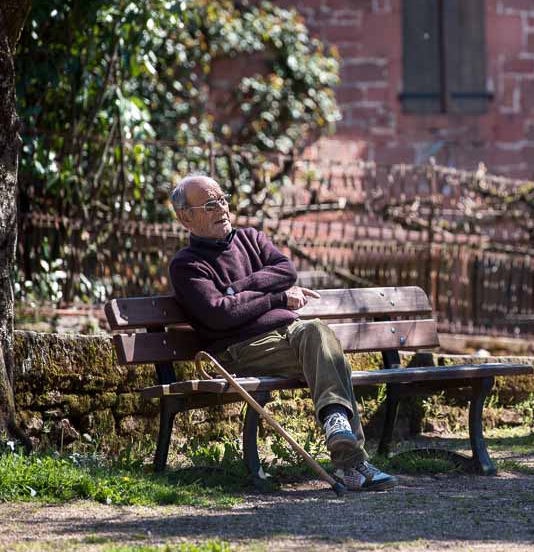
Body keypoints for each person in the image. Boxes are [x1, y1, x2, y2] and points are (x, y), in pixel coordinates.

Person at [167, 174, 397, 491]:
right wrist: (275, 297)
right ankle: (352, 463)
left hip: (289, 335)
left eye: (223, 199)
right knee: (329, 355)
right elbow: (222, 314)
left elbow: (286, 270)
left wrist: (237, 289)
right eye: (209, 204)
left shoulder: (250, 238)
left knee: (317, 334)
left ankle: (340, 434)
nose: (221, 208)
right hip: (240, 349)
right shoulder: (187, 265)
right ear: (185, 217)